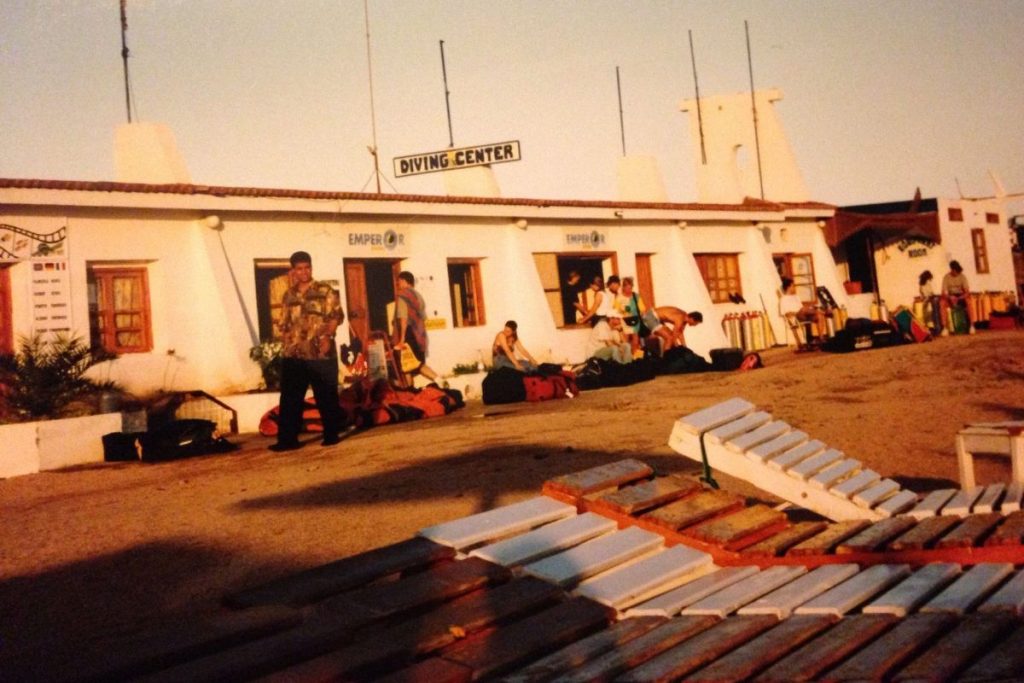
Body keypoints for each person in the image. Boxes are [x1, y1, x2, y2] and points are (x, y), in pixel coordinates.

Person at [271, 251, 345, 451]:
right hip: (294, 354)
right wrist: (285, 345)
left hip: (320, 353)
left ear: (311, 268)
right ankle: (287, 440)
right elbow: (284, 323)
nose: (304, 272)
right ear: (293, 271)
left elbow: (335, 316)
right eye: (299, 269)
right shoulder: (288, 295)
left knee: (326, 396)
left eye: (307, 267)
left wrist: (328, 337)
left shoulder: (325, 291)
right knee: (290, 398)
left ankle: (331, 435)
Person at [393, 271, 440, 382]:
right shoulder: (418, 296)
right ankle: (437, 380)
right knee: (412, 364)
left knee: (410, 364)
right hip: (419, 333)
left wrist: (402, 339)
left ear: (404, 281)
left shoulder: (403, 296)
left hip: (409, 333)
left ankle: (437, 380)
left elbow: (404, 319)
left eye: (399, 281)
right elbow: (422, 316)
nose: (398, 284)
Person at [779, 277, 823, 346]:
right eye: (793, 286)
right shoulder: (783, 299)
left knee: (819, 316)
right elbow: (785, 313)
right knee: (805, 309)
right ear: (789, 287)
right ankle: (823, 312)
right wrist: (796, 312)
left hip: (804, 315)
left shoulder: (796, 297)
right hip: (796, 317)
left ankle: (821, 339)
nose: (794, 288)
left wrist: (807, 309)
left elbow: (802, 309)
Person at [617, 277, 648, 358]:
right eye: (627, 288)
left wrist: (642, 315)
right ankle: (626, 360)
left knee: (636, 342)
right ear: (623, 287)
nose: (629, 290)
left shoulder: (636, 296)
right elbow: (615, 311)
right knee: (625, 343)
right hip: (624, 322)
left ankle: (637, 359)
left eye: (630, 288)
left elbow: (643, 309)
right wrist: (623, 310)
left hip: (635, 321)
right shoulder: (619, 298)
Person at [941, 260, 972, 330]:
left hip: (960, 296)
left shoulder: (962, 277)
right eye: (955, 271)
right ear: (952, 270)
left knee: (969, 302)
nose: (957, 273)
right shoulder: (946, 277)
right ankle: (944, 328)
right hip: (950, 296)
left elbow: (967, 292)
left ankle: (972, 326)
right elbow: (944, 292)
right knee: (942, 303)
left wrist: (960, 297)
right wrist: (950, 297)